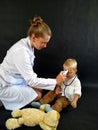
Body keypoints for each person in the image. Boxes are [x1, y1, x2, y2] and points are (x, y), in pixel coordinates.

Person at [0, 16, 66, 110]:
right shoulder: (21, 51)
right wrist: (55, 81)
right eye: (43, 42)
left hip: (15, 80)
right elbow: (31, 80)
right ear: (34, 37)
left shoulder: (28, 45)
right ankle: (3, 99)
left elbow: (28, 74)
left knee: (40, 89)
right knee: (38, 95)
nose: (45, 46)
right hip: (4, 85)